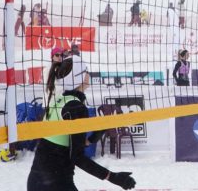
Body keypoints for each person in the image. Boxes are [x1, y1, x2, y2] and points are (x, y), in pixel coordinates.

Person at [27, 54, 136, 190]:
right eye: (86, 71)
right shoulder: (75, 106)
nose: (88, 74)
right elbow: (77, 156)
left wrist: (92, 139)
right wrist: (112, 177)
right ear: (79, 78)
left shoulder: (58, 100)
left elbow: (63, 145)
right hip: (54, 183)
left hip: (37, 180)